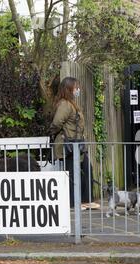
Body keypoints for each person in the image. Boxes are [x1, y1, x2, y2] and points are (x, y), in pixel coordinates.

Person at [49, 77, 100, 210]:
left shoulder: (71, 103)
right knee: (71, 173)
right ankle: (73, 203)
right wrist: (58, 133)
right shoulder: (65, 104)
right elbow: (56, 122)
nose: (78, 89)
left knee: (87, 169)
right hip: (69, 145)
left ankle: (86, 200)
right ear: (68, 89)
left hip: (77, 144)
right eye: (76, 87)